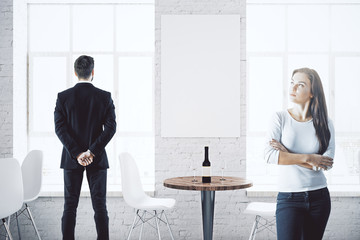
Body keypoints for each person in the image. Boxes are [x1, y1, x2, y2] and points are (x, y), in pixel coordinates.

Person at [264, 68, 335, 240]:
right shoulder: (280, 118)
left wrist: (287, 153)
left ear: (312, 93)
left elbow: (325, 164)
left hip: (319, 198)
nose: (293, 88)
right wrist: (309, 158)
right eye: (292, 82)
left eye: (300, 84)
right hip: (289, 198)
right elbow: (270, 155)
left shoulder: (325, 124)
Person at [54, 55, 116, 240]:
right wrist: (92, 151)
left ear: (75, 72)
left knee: (69, 207)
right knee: (100, 207)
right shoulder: (104, 97)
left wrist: (77, 153)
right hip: (96, 160)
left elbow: (60, 128)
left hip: (71, 160)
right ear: (93, 72)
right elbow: (111, 128)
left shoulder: (63, 97)